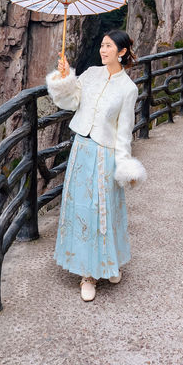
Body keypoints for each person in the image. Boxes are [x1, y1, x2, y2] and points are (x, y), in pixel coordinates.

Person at [46, 29, 146, 302]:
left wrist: (124, 163)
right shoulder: (90, 74)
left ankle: (106, 263)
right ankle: (87, 274)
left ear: (122, 52)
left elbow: (124, 131)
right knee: (82, 209)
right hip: (81, 150)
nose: (103, 50)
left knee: (103, 210)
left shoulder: (128, 88)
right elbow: (70, 101)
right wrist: (65, 78)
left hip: (105, 155)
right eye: (102, 45)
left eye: (109, 46)